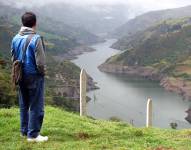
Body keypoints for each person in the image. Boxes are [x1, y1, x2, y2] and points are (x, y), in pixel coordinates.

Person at [11, 12, 48, 142]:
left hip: (20, 75)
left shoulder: (15, 38)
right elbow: (41, 63)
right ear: (34, 23)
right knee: (36, 104)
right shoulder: (36, 38)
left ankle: (24, 130)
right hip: (33, 76)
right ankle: (33, 135)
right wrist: (43, 73)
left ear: (22, 23)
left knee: (24, 103)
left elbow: (13, 57)